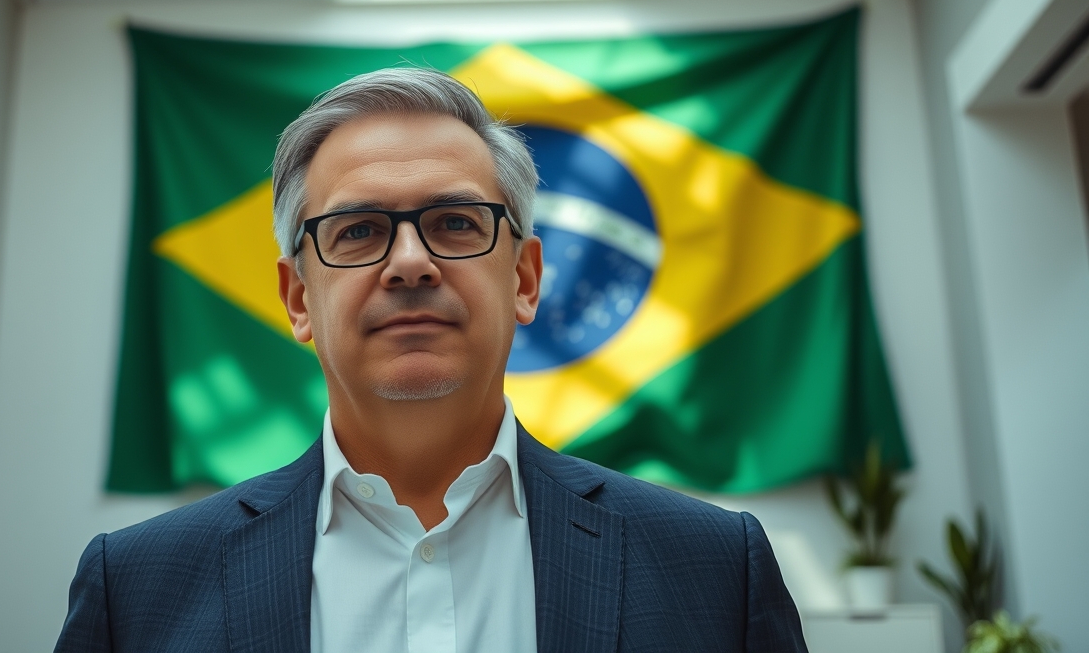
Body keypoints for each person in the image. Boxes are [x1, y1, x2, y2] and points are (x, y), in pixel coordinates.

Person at [55, 68, 808, 652]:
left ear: (524, 279)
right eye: (357, 231)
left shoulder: (715, 568)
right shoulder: (136, 588)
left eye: (455, 223)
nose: (411, 263)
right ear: (298, 298)